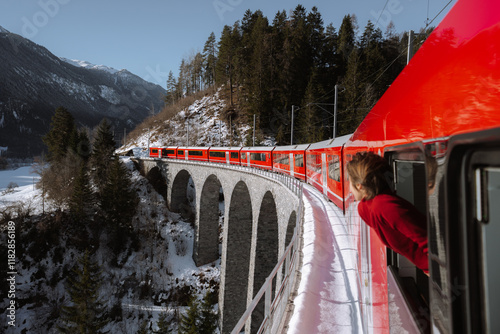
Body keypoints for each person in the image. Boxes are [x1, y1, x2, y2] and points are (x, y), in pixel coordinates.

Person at [347, 152, 429, 273]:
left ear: (359, 186)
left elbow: (428, 241)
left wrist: (432, 270)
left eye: (349, 181)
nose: (349, 188)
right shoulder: (365, 208)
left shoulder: (384, 206)